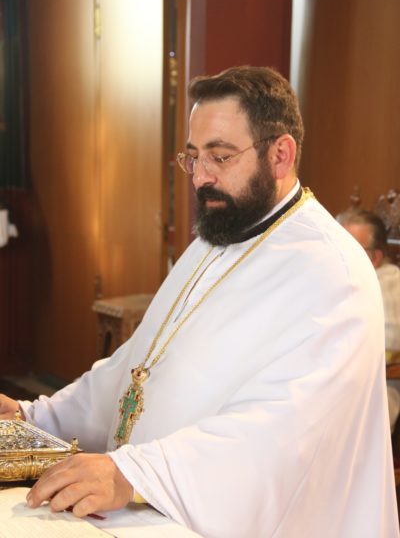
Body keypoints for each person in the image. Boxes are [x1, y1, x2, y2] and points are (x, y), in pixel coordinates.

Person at [0, 66, 398, 537]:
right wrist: (36, 417)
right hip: (155, 509)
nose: (200, 177)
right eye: (193, 157)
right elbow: (138, 367)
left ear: (281, 154)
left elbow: (282, 435)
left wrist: (134, 473)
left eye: (220, 156)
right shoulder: (217, 239)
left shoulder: (334, 273)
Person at [337, 208, 400, 431]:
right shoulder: (334, 277)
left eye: (349, 248)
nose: (338, 254)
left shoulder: (389, 284)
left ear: (375, 257)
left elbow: (388, 349)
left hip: (380, 387)